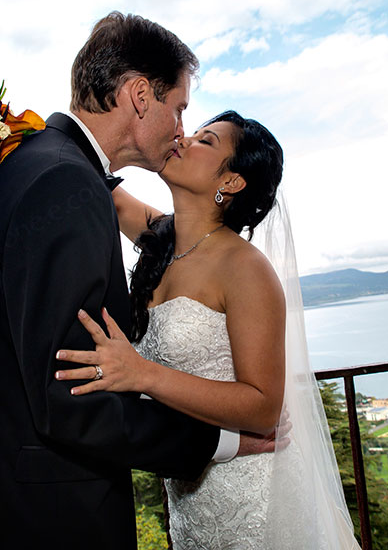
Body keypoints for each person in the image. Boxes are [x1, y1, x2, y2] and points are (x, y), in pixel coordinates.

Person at [0, 13, 267, 550]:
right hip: (40, 518)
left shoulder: (38, 162)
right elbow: (73, 397)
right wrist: (220, 442)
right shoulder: (68, 183)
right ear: (138, 95)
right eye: (178, 108)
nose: (181, 129)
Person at [55, 111, 361, 548]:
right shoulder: (161, 240)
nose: (185, 137)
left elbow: (263, 408)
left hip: (252, 498)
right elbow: (101, 181)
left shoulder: (245, 268)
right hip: (189, 493)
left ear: (232, 182)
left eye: (207, 140)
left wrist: (142, 373)